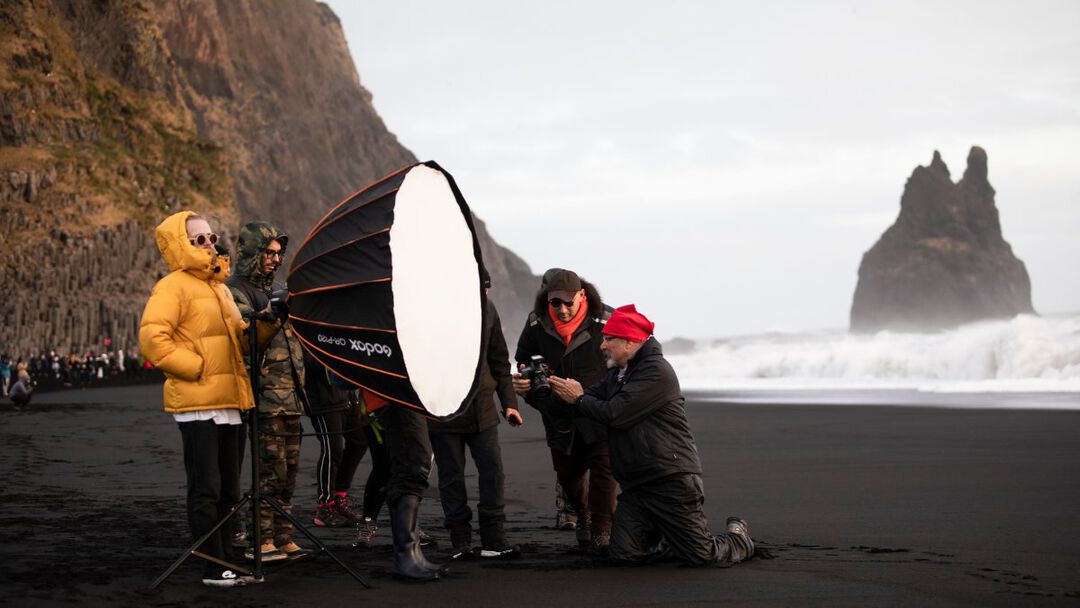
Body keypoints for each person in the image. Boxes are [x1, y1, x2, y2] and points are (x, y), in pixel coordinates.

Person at [549, 304, 756, 567]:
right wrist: (540, 389)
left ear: (629, 342)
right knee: (624, 556)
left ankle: (738, 535)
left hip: (670, 479)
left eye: (608, 339)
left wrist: (577, 398)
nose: (602, 346)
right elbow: (586, 401)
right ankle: (673, 538)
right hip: (636, 486)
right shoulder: (618, 375)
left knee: (702, 556)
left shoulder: (656, 371)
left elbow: (614, 413)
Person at [139, 210, 267, 587]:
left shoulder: (220, 287)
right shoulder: (171, 287)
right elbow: (152, 340)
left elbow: (241, 340)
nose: (210, 244)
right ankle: (213, 564)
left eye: (211, 237)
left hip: (229, 400)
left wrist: (269, 321)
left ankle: (228, 555)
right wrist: (197, 368)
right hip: (197, 403)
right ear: (181, 244)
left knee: (230, 487)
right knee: (206, 487)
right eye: (199, 239)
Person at [512, 268, 616, 552]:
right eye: (555, 302)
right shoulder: (536, 323)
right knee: (568, 476)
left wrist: (617, 400)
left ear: (582, 296)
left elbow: (626, 358)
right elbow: (523, 360)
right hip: (557, 413)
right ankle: (582, 514)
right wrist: (528, 386)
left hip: (598, 409)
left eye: (568, 302)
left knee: (604, 472)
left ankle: (602, 529)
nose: (562, 309)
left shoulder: (606, 319)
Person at [226, 221, 309, 563]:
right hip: (263, 398)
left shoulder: (279, 290)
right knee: (268, 472)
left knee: (288, 471)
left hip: (290, 396)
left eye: (279, 253)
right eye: (269, 252)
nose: (276, 259)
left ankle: (283, 535)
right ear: (253, 253)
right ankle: (260, 539)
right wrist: (271, 311)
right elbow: (245, 336)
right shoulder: (236, 291)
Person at [428, 269, 523, 560]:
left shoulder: (488, 310)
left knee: (493, 473)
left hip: (482, 410)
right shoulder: (434, 314)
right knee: (451, 477)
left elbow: (499, 360)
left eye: (485, 290)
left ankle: (494, 540)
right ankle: (461, 542)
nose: (481, 296)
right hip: (443, 410)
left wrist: (510, 404)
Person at [305, 352, 371, 528]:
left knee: (360, 441)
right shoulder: (306, 328)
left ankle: (339, 494)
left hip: (346, 396)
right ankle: (324, 507)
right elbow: (308, 360)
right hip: (322, 401)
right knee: (332, 449)